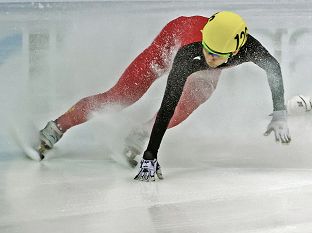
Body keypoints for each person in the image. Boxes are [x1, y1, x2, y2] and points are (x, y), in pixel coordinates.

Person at [37, 11, 291, 181]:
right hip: (171, 43)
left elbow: (274, 70)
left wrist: (279, 111)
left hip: (197, 53)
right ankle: (58, 126)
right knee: (121, 97)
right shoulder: (192, 55)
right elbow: (167, 103)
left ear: (236, 51)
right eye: (208, 50)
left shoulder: (250, 49)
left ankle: (140, 133)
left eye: (217, 56)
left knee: (196, 98)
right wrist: (151, 156)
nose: (209, 59)